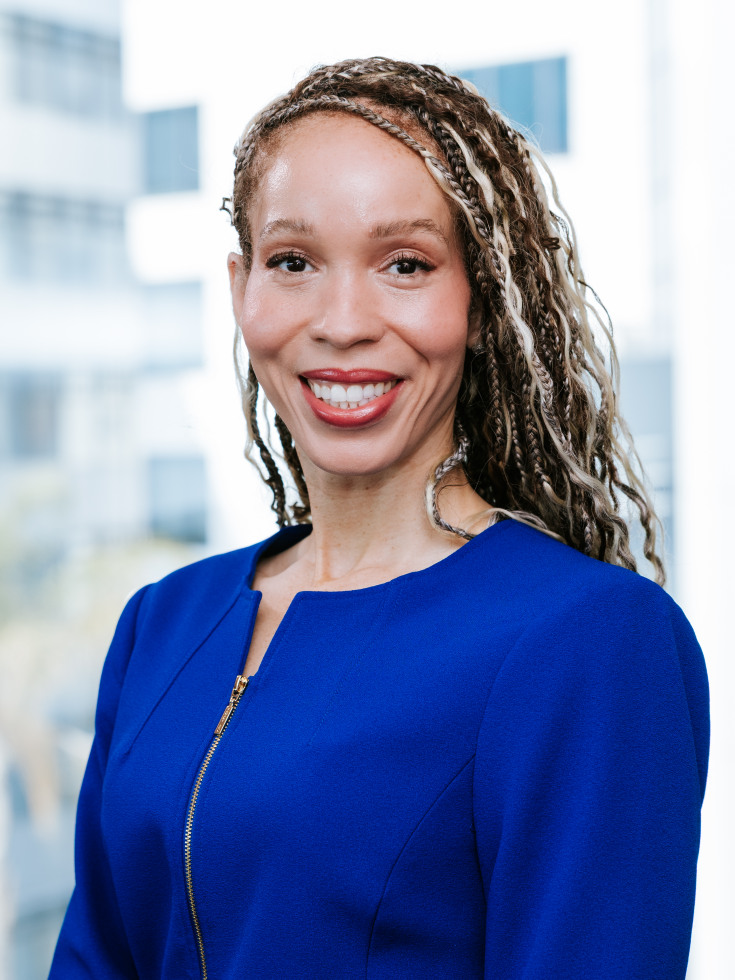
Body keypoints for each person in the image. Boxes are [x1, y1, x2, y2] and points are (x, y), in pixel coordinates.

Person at [50, 57, 709, 979]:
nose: (343, 320)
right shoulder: (162, 624)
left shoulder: (590, 642)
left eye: (405, 264)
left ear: (479, 299)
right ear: (242, 287)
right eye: (293, 262)